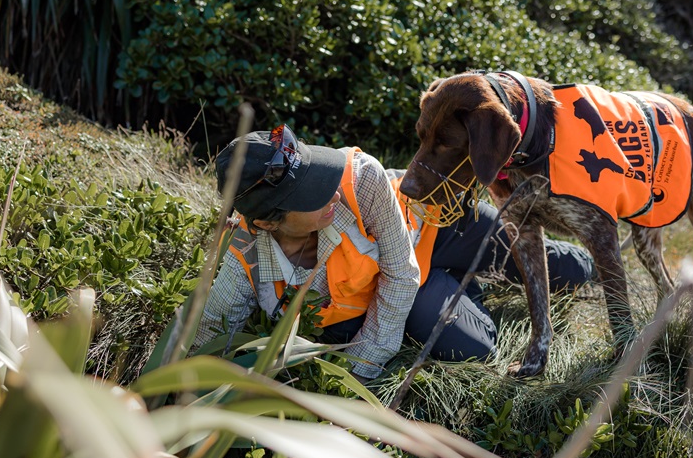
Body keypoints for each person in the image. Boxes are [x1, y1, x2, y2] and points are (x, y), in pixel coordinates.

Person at [193, 125, 594, 381]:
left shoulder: (361, 177)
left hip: (439, 225)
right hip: (411, 280)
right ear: (266, 223)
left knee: (563, 269)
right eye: (312, 195)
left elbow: (399, 274)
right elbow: (211, 330)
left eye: (321, 175)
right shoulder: (246, 254)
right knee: (473, 349)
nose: (331, 191)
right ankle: (464, 286)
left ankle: (583, 262)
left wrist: (355, 378)